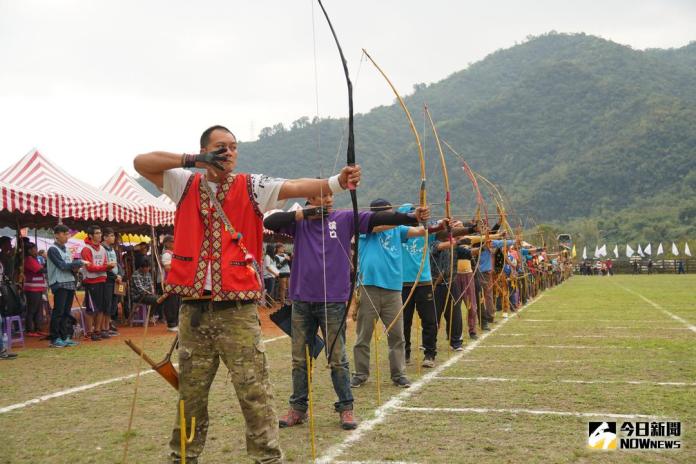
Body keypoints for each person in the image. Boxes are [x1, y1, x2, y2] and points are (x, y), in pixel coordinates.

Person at [134, 124, 360, 464]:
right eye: (220, 147)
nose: (229, 152)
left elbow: (295, 186)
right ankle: (183, 457)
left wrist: (336, 182)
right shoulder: (184, 183)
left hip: (237, 311)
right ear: (205, 150)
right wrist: (193, 160)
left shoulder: (252, 185)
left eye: (233, 147)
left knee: (254, 392)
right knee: (191, 396)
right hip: (194, 311)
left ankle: (267, 458)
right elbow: (141, 162)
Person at [264, 194, 429, 428]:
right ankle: (297, 408)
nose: (329, 198)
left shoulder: (344, 217)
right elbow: (270, 222)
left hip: (332, 301)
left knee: (338, 358)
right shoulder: (299, 222)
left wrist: (411, 217)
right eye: (323, 194)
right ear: (311, 198)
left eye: (331, 194)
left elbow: (376, 218)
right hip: (301, 300)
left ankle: (346, 408)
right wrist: (304, 214)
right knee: (299, 359)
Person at [349, 198, 436, 390]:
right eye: (387, 214)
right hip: (368, 286)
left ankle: (399, 375)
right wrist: (409, 217)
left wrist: (431, 224)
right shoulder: (365, 227)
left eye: (392, 213)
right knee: (363, 335)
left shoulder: (398, 229)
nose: (392, 217)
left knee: (397, 335)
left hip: (393, 289)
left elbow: (421, 232)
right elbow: (380, 226)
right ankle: (360, 374)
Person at [47, 224, 86, 348]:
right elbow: (62, 266)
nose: (66, 236)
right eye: (64, 234)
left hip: (69, 282)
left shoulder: (67, 249)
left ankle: (64, 337)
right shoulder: (53, 249)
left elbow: (69, 266)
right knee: (58, 311)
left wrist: (76, 267)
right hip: (59, 283)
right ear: (56, 235)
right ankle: (55, 338)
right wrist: (77, 263)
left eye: (67, 234)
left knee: (66, 312)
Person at [80, 225, 114, 341]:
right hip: (91, 281)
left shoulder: (102, 249)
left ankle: (98, 330)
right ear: (90, 235)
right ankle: (90, 332)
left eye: (100, 233)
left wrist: (107, 267)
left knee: (101, 307)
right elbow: (89, 267)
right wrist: (105, 267)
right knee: (91, 308)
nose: (100, 235)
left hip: (102, 280)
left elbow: (103, 264)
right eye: (97, 233)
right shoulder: (86, 249)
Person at [102, 227, 123, 335]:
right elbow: (104, 266)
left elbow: (118, 264)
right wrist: (115, 277)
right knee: (107, 303)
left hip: (117, 281)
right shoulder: (102, 249)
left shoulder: (113, 249)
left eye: (113, 235)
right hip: (107, 280)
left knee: (115, 303)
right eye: (110, 235)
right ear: (104, 237)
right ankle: (105, 327)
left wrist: (120, 274)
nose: (113, 238)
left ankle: (109, 324)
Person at [23, 242, 46, 336]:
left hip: (37, 288)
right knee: (32, 309)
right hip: (32, 288)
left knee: (38, 309)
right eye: (34, 249)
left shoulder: (34, 259)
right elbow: (40, 269)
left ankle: (37, 328)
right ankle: (30, 330)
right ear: (29, 250)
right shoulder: (29, 259)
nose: (36, 251)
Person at [159, 235, 180, 331]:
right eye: (172, 242)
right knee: (171, 303)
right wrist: (179, 267)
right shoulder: (167, 254)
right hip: (169, 281)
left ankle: (176, 322)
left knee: (176, 302)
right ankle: (171, 324)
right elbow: (167, 268)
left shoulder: (173, 253)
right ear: (167, 243)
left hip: (175, 281)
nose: (174, 243)